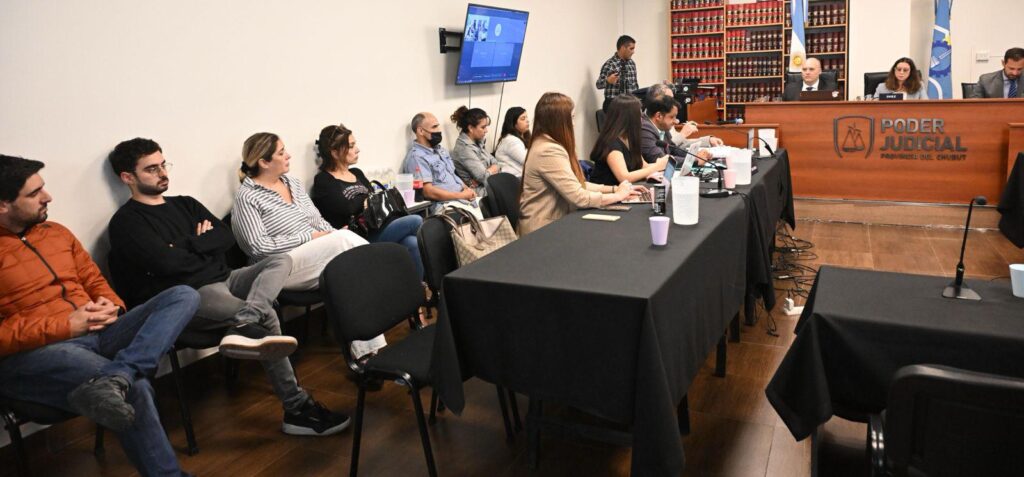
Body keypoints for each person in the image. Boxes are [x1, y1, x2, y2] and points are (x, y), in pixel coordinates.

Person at [106, 138, 350, 437]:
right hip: (189, 294)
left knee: (280, 260)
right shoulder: (126, 223)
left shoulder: (185, 203)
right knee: (267, 317)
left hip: (227, 277)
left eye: (163, 164)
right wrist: (200, 242)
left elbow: (225, 236)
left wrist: (183, 246)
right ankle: (297, 409)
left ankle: (246, 317)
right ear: (127, 177)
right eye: (151, 169)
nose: (162, 173)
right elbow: (166, 265)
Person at [0, 154, 198, 476]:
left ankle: (119, 374)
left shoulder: (56, 233)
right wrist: (65, 326)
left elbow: (94, 281)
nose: (48, 197)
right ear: (3, 205)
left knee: (183, 295)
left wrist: (111, 306)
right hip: (37, 354)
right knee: (135, 390)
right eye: (34, 193)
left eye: (43, 188)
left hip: (98, 333)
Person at [232, 132, 384, 358]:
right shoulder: (247, 197)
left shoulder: (292, 183)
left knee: (348, 268)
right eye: (281, 153)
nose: (288, 156)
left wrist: (330, 233)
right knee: (345, 243)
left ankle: (370, 354)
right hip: (278, 268)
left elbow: (317, 221)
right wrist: (311, 237)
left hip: (313, 258)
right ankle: (385, 295)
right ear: (264, 162)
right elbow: (258, 247)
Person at [519, 92, 642, 236]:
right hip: (542, 230)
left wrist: (615, 189)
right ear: (559, 121)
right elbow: (579, 197)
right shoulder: (548, 150)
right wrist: (618, 196)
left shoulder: (549, 144)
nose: (573, 123)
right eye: (571, 118)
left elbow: (578, 184)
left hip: (556, 222)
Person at [311, 123, 424, 279]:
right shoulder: (324, 180)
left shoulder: (357, 173)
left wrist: (365, 202)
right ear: (335, 153)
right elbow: (346, 208)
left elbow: (372, 202)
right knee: (416, 220)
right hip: (356, 238)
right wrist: (365, 201)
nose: (357, 149)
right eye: (351, 146)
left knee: (411, 243)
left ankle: (418, 290)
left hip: (377, 227)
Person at [400, 112, 481, 217]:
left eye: (438, 126)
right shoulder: (416, 158)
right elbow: (428, 192)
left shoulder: (441, 150)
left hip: (462, 199)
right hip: (445, 205)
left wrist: (467, 189)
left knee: (491, 207)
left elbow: (453, 175)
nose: (439, 130)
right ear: (420, 131)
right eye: (434, 127)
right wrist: (461, 195)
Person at [588, 94, 668, 186]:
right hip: (609, 192)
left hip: (627, 190)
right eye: (639, 116)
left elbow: (644, 166)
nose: (641, 120)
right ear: (629, 119)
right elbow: (624, 177)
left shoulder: (629, 139)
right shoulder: (611, 143)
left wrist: (663, 164)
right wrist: (656, 167)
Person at [640, 95, 713, 176]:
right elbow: (660, 159)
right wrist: (694, 160)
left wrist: (695, 155)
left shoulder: (662, 125)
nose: (676, 121)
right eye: (672, 117)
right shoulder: (644, 129)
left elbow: (673, 149)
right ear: (659, 116)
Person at [642, 83, 722, 150]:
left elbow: (680, 145)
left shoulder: (665, 118)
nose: (673, 102)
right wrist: (682, 134)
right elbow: (667, 149)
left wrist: (708, 141)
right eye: (670, 99)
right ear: (657, 100)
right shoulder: (645, 124)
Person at [450, 106, 500, 197]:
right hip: (480, 191)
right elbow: (483, 177)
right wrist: (492, 170)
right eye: (483, 127)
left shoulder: (478, 141)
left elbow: (496, 163)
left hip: (489, 185)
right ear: (471, 128)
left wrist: (489, 171)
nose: (486, 131)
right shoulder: (464, 148)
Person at [596, 35, 639, 112]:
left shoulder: (632, 64)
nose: (633, 52)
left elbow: (635, 85)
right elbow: (598, 84)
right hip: (614, 106)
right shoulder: (610, 64)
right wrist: (608, 81)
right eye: (631, 48)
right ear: (623, 48)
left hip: (630, 104)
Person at [493, 106, 531, 177]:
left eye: (527, 117)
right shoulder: (511, 140)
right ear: (513, 123)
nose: (527, 121)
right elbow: (529, 161)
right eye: (523, 119)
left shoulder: (522, 137)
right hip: (514, 179)